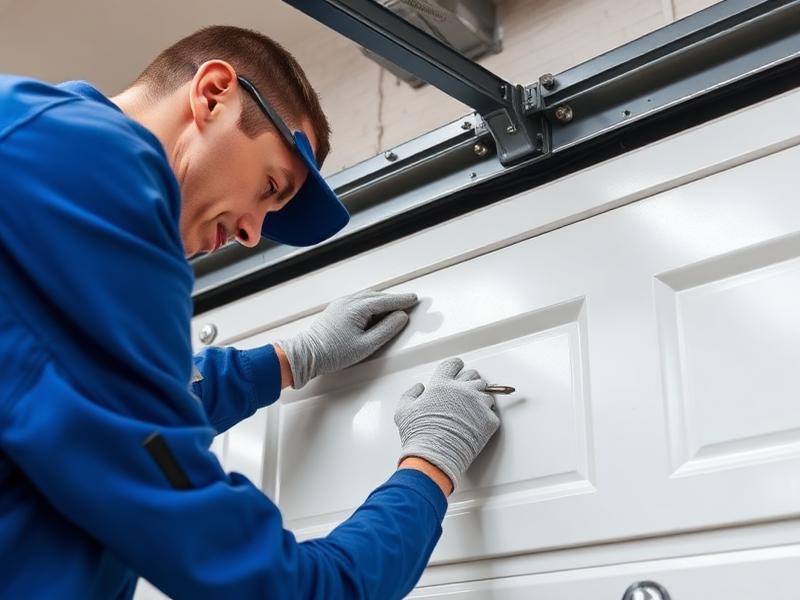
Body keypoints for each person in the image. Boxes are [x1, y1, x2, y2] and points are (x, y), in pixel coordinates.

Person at [0, 25, 500, 599]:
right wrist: (431, 466)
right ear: (213, 93)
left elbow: (99, 396)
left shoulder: (34, 146)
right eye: (270, 186)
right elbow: (272, 586)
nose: (250, 232)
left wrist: (293, 358)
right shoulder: (98, 181)